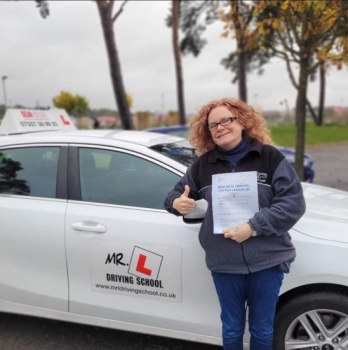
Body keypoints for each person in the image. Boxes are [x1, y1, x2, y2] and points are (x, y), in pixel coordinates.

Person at [164, 98, 305, 350]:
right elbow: (173, 196)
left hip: (267, 260)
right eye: (213, 125)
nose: (220, 127)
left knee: (262, 329)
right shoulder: (202, 167)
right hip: (224, 261)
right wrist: (177, 204)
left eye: (226, 120)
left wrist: (252, 227)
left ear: (241, 121)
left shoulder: (269, 158)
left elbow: (293, 203)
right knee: (231, 329)